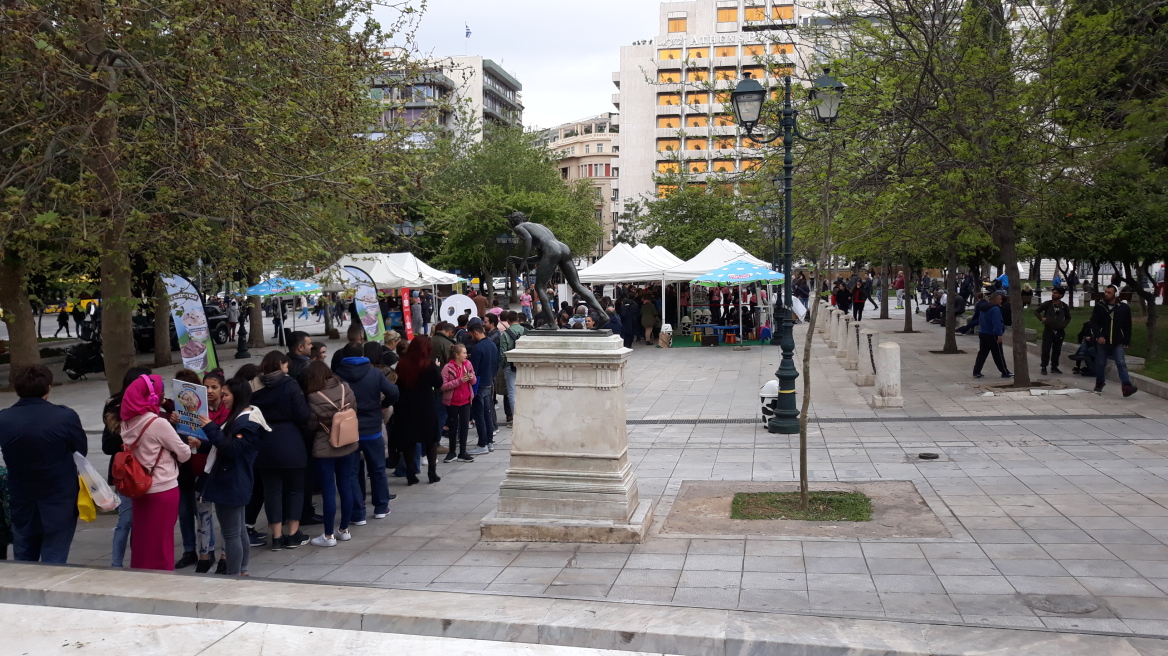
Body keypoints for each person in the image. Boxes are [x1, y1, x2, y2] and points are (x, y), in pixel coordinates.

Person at [0, 365, 88, 563]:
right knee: (54, 562)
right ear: (48, 388)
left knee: (23, 562)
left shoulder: (4, 418)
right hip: (59, 500)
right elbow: (80, 451)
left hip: (21, 501)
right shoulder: (64, 417)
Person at [120, 374, 196, 570]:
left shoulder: (126, 423)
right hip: (163, 488)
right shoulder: (157, 423)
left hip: (140, 487)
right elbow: (184, 453)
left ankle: (142, 575)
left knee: (143, 540)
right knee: (162, 542)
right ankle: (162, 579)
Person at [199, 379, 264, 574]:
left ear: (238, 396)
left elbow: (232, 449)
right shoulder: (239, 418)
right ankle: (242, 570)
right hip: (234, 479)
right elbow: (223, 445)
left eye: (226, 394)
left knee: (231, 534)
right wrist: (201, 444)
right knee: (239, 530)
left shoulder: (246, 422)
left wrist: (210, 427)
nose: (222, 398)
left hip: (231, 481)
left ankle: (234, 575)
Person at [250, 351, 311, 550]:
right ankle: (293, 534)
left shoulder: (253, 386)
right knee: (295, 489)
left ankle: (276, 536)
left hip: (264, 442)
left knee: (272, 491)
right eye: (286, 365)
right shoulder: (290, 384)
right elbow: (302, 414)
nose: (288, 369)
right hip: (290, 441)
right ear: (281, 364)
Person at [334, 343, 399, 522]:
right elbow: (394, 392)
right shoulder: (375, 373)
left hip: (348, 430)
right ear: (362, 354)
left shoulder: (337, 377)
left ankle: (358, 512)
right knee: (377, 469)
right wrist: (383, 406)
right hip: (372, 429)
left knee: (352, 472)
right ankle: (380, 507)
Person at [101, 366, 153, 567]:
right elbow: (108, 446)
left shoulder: (154, 406)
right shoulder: (114, 407)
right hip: (127, 472)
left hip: (149, 470)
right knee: (126, 520)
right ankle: (116, 563)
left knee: (143, 522)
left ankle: (139, 560)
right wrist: (130, 434)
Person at [304, 362, 359, 547]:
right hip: (347, 443)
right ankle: (344, 530)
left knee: (328, 491)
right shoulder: (346, 388)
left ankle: (328, 535)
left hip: (325, 447)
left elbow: (311, 425)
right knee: (345, 486)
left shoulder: (312, 397)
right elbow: (354, 411)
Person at [393, 336, 444, 485]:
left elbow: (398, 384)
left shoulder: (402, 365)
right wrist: (437, 367)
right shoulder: (429, 366)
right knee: (430, 440)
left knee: (409, 440)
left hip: (406, 405)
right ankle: (432, 473)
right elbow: (438, 383)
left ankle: (410, 473)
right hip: (426, 405)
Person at [1089, 285, 1138, 396]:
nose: (1106, 294)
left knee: (1121, 363)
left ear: (1115, 294)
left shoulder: (1123, 308)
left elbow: (1127, 325)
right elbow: (1094, 323)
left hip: (1117, 340)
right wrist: (1098, 336)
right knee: (1101, 362)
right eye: (1105, 292)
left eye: (1109, 292)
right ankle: (1100, 382)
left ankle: (1126, 387)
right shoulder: (1100, 307)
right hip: (1103, 340)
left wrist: (1127, 340)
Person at [465, 320, 499, 455]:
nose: (471, 338)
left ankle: (482, 443)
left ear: (475, 333)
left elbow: (474, 370)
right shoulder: (492, 345)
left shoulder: (477, 348)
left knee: (479, 415)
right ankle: (489, 442)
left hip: (479, 384)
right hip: (489, 382)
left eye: (471, 335)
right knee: (487, 414)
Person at [441, 343, 477, 463]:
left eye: (466, 353)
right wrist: (459, 381)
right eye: (464, 353)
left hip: (466, 400)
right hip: (452, 401)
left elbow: (474, 381)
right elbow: (443, 385)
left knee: (464, 426)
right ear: (457, 355)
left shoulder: (468, 365)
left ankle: (463, 452)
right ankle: (452, 452)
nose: (466, 355)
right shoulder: (448, 367)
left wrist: (471, 377)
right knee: (453, 426)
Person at [972, 292, 1011, 379]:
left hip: (983, 332)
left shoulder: (983, 308)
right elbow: (997, 322)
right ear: (995, 300)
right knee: (998, 353)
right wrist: (999, 334)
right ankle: (1004, 371)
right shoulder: (995, 309)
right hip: (992, 334)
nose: (1001, 301)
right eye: (1000, 299)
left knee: (982, 353)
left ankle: (976, 371)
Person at [1034, 286, 1071, 375]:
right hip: (1048, 330)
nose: (1053, 295)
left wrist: (1063, 325)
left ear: (1061, 295)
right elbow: (1036, 311)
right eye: (1053, 293)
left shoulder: (1064, 306)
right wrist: (1041, 318)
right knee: (1046, 349)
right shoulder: (1047, 304)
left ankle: (1054, 366)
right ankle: (1044, 366)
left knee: (1057, 350)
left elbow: (1068, 317)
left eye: (1056, 293)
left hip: (1059, 331)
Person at [499, 310, 527, 423]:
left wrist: (504, 365)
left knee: (512, 392)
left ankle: (516, 417)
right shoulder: (526, 331)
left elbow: (502, 352)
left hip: (510, 366)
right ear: (518, 319)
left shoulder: (505, 334)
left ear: (508, 321)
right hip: (525, 365)